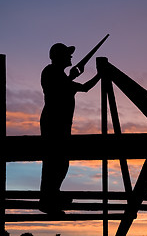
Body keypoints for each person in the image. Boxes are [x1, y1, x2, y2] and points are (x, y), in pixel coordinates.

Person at [39, 43, 101, 214]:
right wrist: (99, 75)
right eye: (67, 54)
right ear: (59, 57)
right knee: (54, 162)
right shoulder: (51, 72)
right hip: (54, 123)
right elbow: (72, 88)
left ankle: (52, 196)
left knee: (59, 162)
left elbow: (72, 87)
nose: (71, 57)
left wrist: (72, 77)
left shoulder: (59, 75)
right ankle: (48, 200)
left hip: (61, 124)